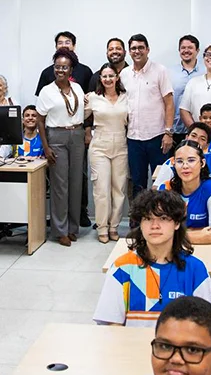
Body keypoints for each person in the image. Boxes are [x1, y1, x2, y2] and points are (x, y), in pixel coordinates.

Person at [94, 189, 211, 326]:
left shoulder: (196, 270)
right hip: (131, 346)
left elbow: (204, 326)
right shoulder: (122, 269)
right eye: (148, 219)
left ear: (177, 223)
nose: (154, 226)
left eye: (163, 218)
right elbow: (111, 328)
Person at [37, 48, 86, 247]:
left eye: (64, 67)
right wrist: (46, 147)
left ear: (71, 68)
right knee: (60, 186)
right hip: (56, 136)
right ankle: (60, 230)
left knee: (75, 184)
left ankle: (73, 228)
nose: (60, 70)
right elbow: (40, 120)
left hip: (77, 135)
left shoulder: (78, 88)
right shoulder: (47, 91)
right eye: (57, 67)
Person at [121, 34, 176, 198]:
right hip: (133, 137)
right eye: (133, 48)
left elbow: (169, 103)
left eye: (140, 48)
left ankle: (161, 218)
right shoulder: (124, 74)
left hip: (157, 137)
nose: (137, 51)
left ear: (147, 50)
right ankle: (139, 221)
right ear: (129, 52)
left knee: (162, 181)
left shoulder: (160, 71)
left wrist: (168, 132)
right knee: (138, 182)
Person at [0, 106, 45, 245]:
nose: (30, 118)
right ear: (22, 120)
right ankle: (0, 227)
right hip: (15, 176)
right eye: (27, 115)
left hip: (36, 179)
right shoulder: (14, 137)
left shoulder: (43, 138)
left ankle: (33, 230)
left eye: (34, 115)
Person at [85, 63, 130, 243]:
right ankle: (102, 227)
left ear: (117, 77)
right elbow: (78, 115)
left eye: (111, 76)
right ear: (100, 79)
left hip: (121, 144)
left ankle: (114, 227)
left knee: (119, 189)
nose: (108, 79)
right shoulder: (93, 98)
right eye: (104, 76)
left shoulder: (126, 97)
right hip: (99, 146)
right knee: (101, 189)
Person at [159, 141, 211, 245]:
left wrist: (175, 235)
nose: (185, 166)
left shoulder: (210, 187)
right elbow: (157, 233)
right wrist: (197, 237)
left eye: (191, 160)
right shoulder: (165, 188)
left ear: (202, 163)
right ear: (174, 164)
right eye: (180, 161)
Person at [151, 121, 211, 193]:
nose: (196, 140)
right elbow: (156, 189)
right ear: (186, 138)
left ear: (207, 145)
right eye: (193, 136)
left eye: (202, 139)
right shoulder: (172, 162)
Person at [169, 35, 202, 142]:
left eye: (190, 48)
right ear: (179, 50)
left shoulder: (205, 72)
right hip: (175, 130)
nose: (186, 51)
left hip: (199, 130)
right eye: (183, 48)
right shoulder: (169, 73)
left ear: (197, 50)